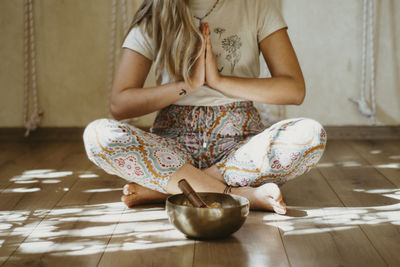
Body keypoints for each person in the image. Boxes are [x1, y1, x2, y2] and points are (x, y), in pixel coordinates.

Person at [83, 0, 327, 215]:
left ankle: (167, 188)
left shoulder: (256, 5)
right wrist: (188, 85)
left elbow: (294, 90)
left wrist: (219, 82)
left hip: (239, 149)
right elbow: (120, 104)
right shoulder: (155, 11)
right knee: (98, 136)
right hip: (172, 150)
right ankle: (240, 196)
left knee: (310, 134)